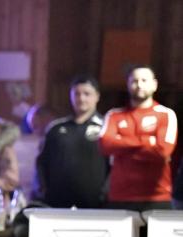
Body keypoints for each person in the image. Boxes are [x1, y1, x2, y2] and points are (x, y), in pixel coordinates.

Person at [99, 66, 178, 211]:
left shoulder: (166, 114)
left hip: (156, 197)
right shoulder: (114, 115)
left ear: (154, 85)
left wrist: (122, 146)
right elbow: (105, 145)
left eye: (144, 80)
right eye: (134, 81)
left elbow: (162, 152)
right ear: (128, 85)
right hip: (120, 197)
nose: (139, 85)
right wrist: (147, 142)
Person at [34, 75, 108, 208]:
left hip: (94, 204)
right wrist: (43, 190)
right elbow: (42, 163)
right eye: (77, 94)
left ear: (97, 96)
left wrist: (105, 193)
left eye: (87, 94)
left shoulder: (107, 127)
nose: (81, 98)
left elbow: (114, 166)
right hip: (57, 203)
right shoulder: (55, 128)